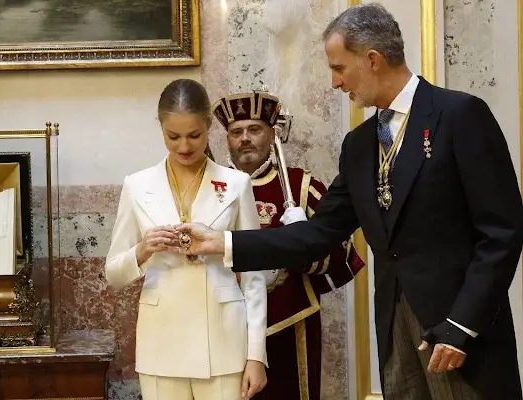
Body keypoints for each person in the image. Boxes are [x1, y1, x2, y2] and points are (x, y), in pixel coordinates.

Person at [171, 4, 523, 400]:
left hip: (459, 333)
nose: (335, 83)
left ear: (372, 60)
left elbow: (502, 233)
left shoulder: (459, 115)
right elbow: (320, 232)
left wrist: (463, 324)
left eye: (339, 68)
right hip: (396, 330)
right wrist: (223, 244)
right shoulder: (359, 145)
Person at [104, 78, 268, 400]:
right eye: (172, 136)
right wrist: (142, 249)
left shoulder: (236, 184)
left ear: (208, 126)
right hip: (161, 341)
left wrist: (256, 355)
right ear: (160, 129)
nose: (183, 147)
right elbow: (113, 274)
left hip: (224, 341)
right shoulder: (137, 185)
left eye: (194, 135)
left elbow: (253, 277)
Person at [212, 90, 365, 400]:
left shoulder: (301, 186)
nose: (245, 139)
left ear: (272, 134)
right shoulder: (209, 188)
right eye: (236, 132)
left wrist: (303, 240)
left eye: (254, 129)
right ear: (226, 139)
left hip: (290, 321)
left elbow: (342, 256)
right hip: (223, 325)